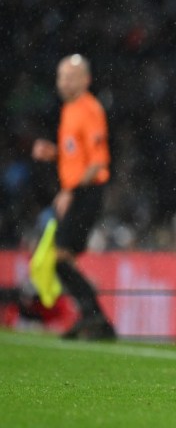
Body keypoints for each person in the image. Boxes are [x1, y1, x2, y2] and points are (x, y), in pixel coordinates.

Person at [31, 54, 116, 340]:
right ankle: (93, 318)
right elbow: (75, 156)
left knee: (61, 258)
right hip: (78, 192)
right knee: (65, 259)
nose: (63, 82)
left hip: (86, 193)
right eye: (61, 76)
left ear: (86, 80)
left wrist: (69, 191)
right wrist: (54, 153)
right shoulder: (70, 109)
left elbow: (97, 162)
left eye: (70, 76)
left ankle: (96, 319)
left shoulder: (89, 109)